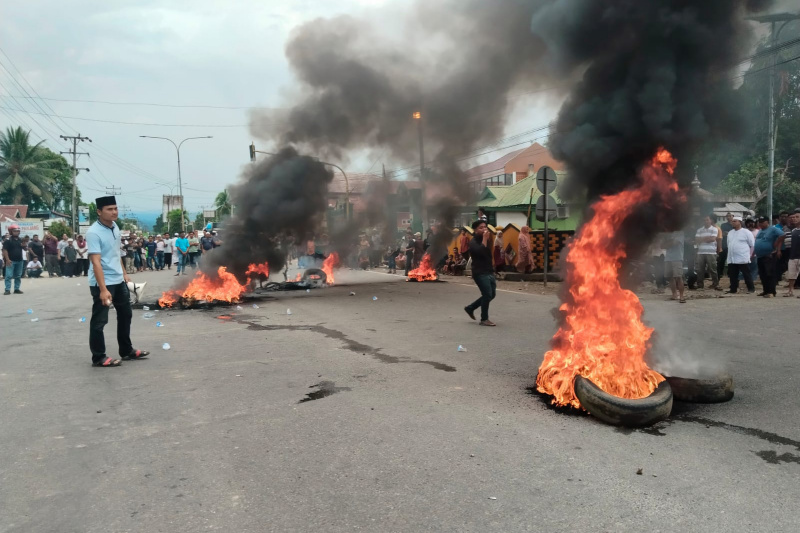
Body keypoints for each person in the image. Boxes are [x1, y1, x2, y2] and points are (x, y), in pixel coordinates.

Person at [86, 196, 149, 367]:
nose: (114, 212)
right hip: (102, 283)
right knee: (100, 321)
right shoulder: (93, 232)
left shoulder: (115, 226)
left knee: (126, 314)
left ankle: (126, 350)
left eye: (115, 208)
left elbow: (115, 253)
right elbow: (96, 262)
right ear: (99, 212)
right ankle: (98, 357)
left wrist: (123, 273)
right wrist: (103, 289)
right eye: (109, 209)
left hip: (118, 280)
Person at [464, 220, 496, 326]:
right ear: (475, 230)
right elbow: (480, 252)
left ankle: (470, 308)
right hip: (480, 272)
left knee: (492, 294)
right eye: (481, 228)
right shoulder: (473, 242)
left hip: (489, 271)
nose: (484, 229)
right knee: (487, 294)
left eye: (485, 227)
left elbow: (488, 254)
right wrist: (485, 239)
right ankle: (484, 319)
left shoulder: (486, 240)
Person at [726, 216, 756, 294]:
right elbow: (728, 244)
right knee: (733, 275)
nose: (733, 222)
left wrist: (749, 254)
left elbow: (752, 244)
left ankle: (751, 288)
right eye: (732, 221)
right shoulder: (730, 232)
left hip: (742, 257)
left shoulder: (746, 232)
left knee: (746, 274)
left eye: (735, 221)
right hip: (732, 257)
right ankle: (733, 289)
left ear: (740, 222)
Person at [754, 216, 782, 298]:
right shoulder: (760, 231)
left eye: (763, 222)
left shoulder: (772, 229)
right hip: (760, 256)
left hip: (769, 255)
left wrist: (776, 245)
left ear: (767, 222)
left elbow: (782, 235)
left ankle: (771, 292)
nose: (761, 223)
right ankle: (765, 290)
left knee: (770, 273)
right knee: (762, 274)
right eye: (760, 222)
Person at [695, 215, 721, 290]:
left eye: (707, 220)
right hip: (701, 252)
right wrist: (707, 238)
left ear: (710, 221)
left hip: (711, 252)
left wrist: (701, 239)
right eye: (704, 220)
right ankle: (700, 285)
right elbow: (696, 240)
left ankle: (715, 284)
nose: (706, 221)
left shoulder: (714, 229)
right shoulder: (699, 230)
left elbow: (713, 239)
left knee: (713, 269)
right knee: (700, 269)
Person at [780, 211, 800, 297]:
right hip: (792, 256)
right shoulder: (794, 231)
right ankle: (790, 291)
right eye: (793, 217)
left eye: (797, 217)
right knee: (791, 275)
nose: (794, 219)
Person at [662, 231, 685, 303]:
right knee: (670, 277)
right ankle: (674, 295)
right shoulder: (668, 234)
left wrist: (668, 243)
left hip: (677, 258)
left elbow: (675, 243)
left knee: (678, 277)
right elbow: (662, 246)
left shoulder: (680, 233)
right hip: (668, 258)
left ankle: (681, 296)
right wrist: (670, 242)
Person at [3, 224, 24, 294]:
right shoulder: (8, 240)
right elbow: (4, 250)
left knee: (18, 276)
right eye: (15, 231)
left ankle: (16, 289)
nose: (17, 232)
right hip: (11, 261)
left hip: (20, 260)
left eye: (18, 231)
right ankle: (7, 289)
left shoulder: (20, 240)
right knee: (8, 276)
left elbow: (24, 248)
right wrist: (7, 259)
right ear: (11, 232)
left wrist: (24, 245)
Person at [717, 212, 733, 280]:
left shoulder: (735, 225)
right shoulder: (723, 225)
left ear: (733, 216)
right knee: (722, 260)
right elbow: (722, 233)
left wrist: (728, 233)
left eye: (730, 216)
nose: (728, 217)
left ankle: (730, 273)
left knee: (731, 260)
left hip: (732, 245)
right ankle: (720, 273)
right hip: (724, 244)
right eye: (727, 216)